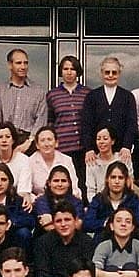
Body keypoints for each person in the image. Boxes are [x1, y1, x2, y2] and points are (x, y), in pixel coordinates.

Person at [31, 200, 96, 277]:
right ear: (53, 223)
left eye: (67, 220)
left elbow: (88, 270)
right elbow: (41, 271)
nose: (63, 224)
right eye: (58, 221)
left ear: (75, 220)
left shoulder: (87, 242)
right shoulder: (43, 242)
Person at [46, 55, 91, 192]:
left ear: (78, 72)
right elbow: (50, 122)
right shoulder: (52, 95)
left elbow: (92, 121)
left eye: (72, 69)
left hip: (83, 149)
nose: (69, 72)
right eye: (65, 69)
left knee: (84, 184)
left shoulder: (87, 93)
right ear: (61, 71)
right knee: (64, 184)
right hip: (63, 148)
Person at [0, 48, 48, 153]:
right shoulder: (0, 91)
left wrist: (28, 143)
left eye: (25, 63)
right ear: (10, 65)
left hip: (30, 142)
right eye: (18, 63)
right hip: (5, 141)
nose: (23, 66)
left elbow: (41, 121)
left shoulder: (38, 91)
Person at [81, 56, 137, 166]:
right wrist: (89, 148)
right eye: (107, 72)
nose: (110, 75)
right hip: (96, 153)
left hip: (121, 152)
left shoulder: (127, 96)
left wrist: (127, 146)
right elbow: (86, 124)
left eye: (114, 72)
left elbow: (131, 123)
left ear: (119, 74)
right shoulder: (92, 96)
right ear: (102, 74)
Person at [84, 160, 139, 243]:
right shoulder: (98, 200)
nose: (117, 181)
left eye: (120, 178)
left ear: (126, 180)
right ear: (107, 179)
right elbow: (87, 223)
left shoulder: (134, 200)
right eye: (113, 177)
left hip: (129, 243)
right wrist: (106, 222)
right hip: (103, 243)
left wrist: (121, 223)